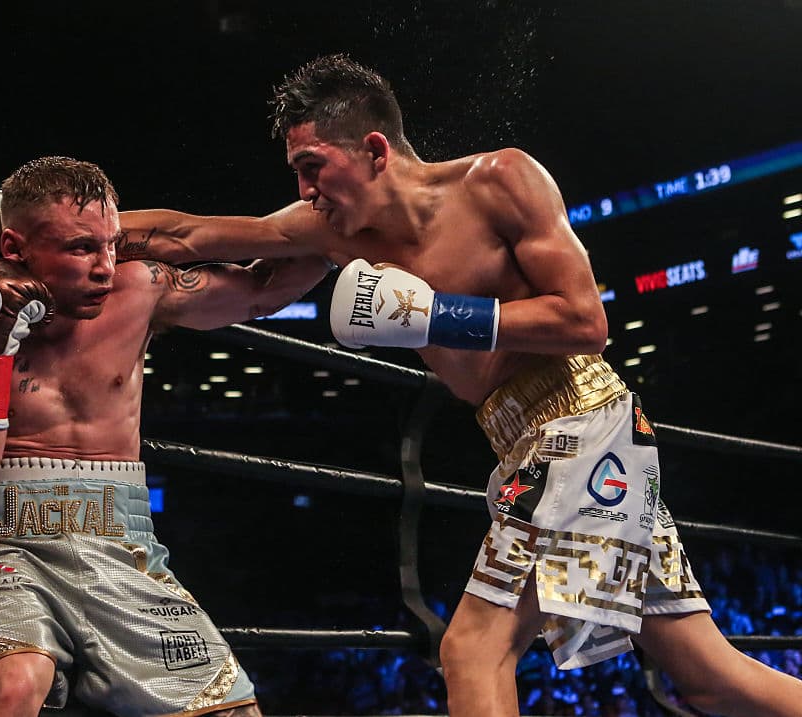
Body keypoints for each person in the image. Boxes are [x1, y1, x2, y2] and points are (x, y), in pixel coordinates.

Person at [110, 54, 802, 716]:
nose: (305, 191)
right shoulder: (332, 232)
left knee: (474, 652)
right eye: (297, 174)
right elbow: (189, 235)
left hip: (580, 423)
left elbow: (586, 321)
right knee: (708, 678)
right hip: (538, 438)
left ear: (374, 150)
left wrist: (437, 314)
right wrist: (67, 230)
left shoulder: (500, 181)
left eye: (313, 167)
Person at [0, 155, 332, 717]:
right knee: (14, 682)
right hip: (10, 543)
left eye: (112, 245)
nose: (105, 268)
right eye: (81, 249)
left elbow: (265, 288)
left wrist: (347, 225)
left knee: (235, 711)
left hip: (123, 542)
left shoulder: (139, 289)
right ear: (15, 248)